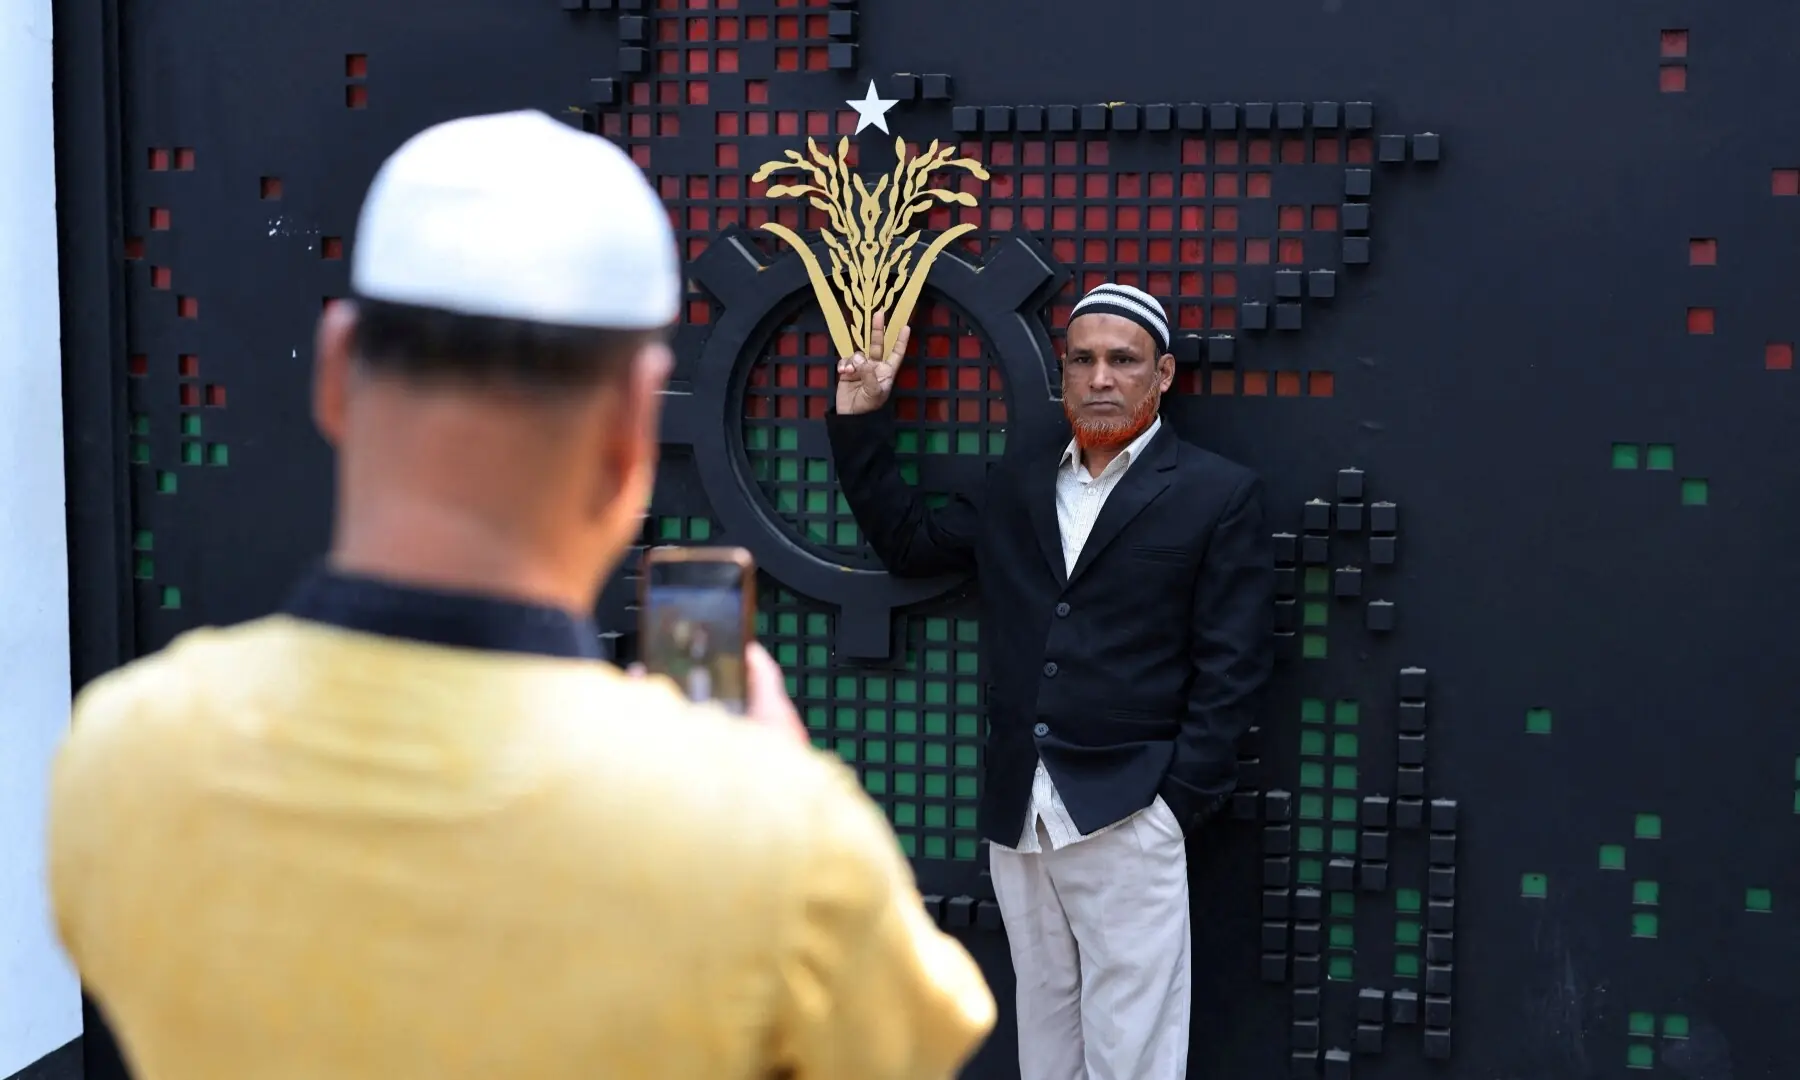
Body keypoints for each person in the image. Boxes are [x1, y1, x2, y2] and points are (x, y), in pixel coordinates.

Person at [47, 110, 994, 1080]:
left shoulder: (125, 757)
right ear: (631, 428)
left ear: (335, 370)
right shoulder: (779, 846)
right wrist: (765, 795)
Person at [825, 285, 1274, 1080]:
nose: (1100, 378)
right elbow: (910, 542)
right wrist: (862, 417)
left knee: (1133, 1053)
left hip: (1130, 811)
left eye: (1123, 360)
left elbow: (1233, 666)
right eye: (1083, 360)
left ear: (1163, 374)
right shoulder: (1019, 484)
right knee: (1045, 1042)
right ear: (1063, 373)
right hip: (1020, 813)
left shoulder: (1217, 494)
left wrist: (1172, 807)